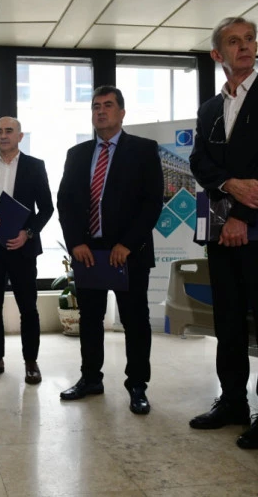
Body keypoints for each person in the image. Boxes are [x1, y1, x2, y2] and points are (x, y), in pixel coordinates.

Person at [188, 17, 258, 449]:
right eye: (234, 42)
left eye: (250, 39)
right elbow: (199, 163)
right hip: (219, 227)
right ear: (217, 54)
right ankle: (233, 400)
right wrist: (230, 185)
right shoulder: (209, 109)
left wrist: (240, 214)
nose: (245, 46)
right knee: (229, 319)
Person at [57, 85, 163, 414]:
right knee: (90, 318)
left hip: (128, 252)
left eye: (108, 105)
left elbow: (152, 202)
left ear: (122, 112)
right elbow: (65, 202)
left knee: (135, 320)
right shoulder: (77, 154)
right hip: (88, 251)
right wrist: (76, 242)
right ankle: (91, 378)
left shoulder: (143, 149)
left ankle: (137, 385)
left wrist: (127, 244)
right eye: (95, 106)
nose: (100, 111)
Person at [0, 116, 54, 384]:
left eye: (8, 131)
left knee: (28, 308)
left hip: (22, 248)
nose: (3, 135)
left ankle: (31, 362)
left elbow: (47, 208)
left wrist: (28, 234)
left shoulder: (35, 166)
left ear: (20, 136)